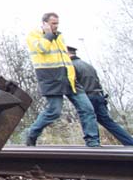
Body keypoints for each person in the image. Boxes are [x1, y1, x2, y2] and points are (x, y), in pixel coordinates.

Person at [24, 12, 100, 147]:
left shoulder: (59, 36)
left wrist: (72, 74)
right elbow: (42, 48)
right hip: (50, 79)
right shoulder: (34, 35)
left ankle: (92, 142)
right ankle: (32, 133)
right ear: (45, 23)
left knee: (87, 108)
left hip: (69, 79)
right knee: (54, 111)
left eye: (57, 23)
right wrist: (48, 35)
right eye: (53, 23)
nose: (56, 26)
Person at [68, 45, 133, 146]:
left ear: (67, 53)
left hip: (87, 97)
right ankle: (129, 142)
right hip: (99, 96)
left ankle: (94, 145)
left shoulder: (70, 66)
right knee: (108, 122)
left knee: (88, 119)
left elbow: (72, 83)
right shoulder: (88, 65)